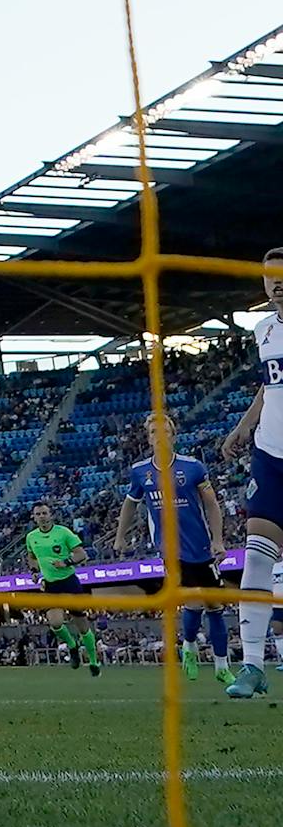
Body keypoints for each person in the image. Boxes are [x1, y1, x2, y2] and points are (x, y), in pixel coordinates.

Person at [114, 412, 231, 685]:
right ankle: (189, 648)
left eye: (165, 431)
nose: (159, 436)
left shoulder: (193, 467)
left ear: (173, 435)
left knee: (215, 606)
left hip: (202, 546)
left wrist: (218, 539)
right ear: (148, 438)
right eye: (154, 432)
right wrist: (120, 536)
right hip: (171, 550)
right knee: (193, 601)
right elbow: (130, 503)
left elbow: (212, 505)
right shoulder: (140, 471)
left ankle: (221, 666)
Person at [222, 248, 283, 699]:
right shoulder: (263, 331)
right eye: (269, 277)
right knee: (257, 553)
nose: (277, 282)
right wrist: (243, 427)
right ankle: (253, 666)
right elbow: (268, 386)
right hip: (270, 454)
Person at [25, 504, 100, 676]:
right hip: (51, 585)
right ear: (34, 517)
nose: (42, 516)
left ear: (50, 515)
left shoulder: (63, 532)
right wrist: (34, 571)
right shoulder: (31, 537)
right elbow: (31, 556)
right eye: (38, 514)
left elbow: (82, 555)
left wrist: (65, 562)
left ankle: (94, 661)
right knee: (55, 623)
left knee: (82, 625)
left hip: (69, 583)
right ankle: (72, 646)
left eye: (45, 513)